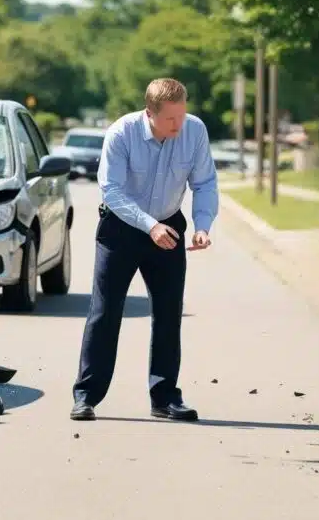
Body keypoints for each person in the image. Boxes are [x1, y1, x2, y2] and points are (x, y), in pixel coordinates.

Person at [70, 78, 218, 422]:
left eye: (182, 116)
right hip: (122, 227)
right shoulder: (121, 134)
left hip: (168, 225)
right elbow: (112, 191)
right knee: (106, 312)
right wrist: (148, 225)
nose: (178, 125)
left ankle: (165, 398)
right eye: (170, 119)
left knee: (168, 313)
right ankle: (86, 396)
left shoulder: (194, 131)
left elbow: (205, 182)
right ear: (149, 113)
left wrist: (202, 226)